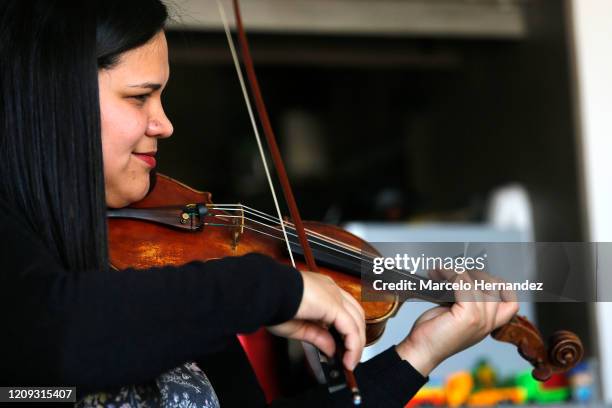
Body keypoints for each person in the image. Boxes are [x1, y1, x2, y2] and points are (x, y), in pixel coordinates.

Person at [0, 1, 519, 407]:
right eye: (139, 97)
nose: (164, 124)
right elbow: (56, 342)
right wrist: (272, 285)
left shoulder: (164, 271)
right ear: (57, 100)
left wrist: (415, 357)